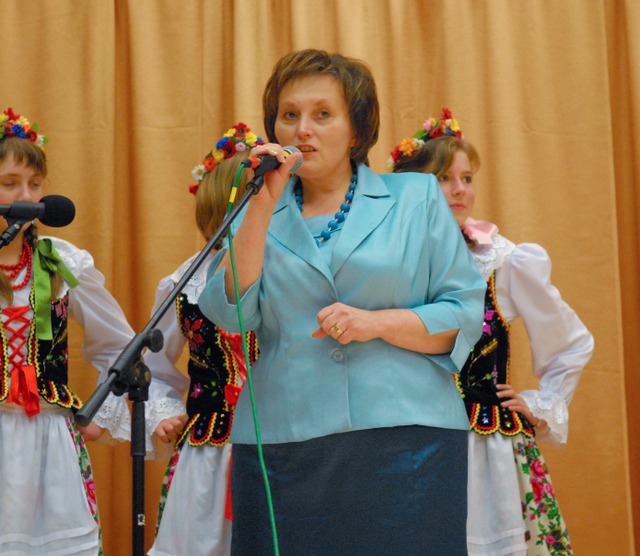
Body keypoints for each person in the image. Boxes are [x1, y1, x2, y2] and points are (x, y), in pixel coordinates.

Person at [197, 50, 487, 555]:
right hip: (284, 444)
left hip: (408, 442)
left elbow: (463, 315)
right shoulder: (255, 209)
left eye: (323, 114)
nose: (302, 130)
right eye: (289, 115)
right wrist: (259, 207)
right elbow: (230, 315)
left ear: (357, 131)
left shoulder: (416, 197)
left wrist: (378, 323)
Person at [389, 108, 595, 555]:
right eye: (444, 178)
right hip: (407, 445)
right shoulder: (388, 265)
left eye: (466, 178)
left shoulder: (502, 262)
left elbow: (572, 343)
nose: (460, 189)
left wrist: (541, 404)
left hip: (483, 450)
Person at [0, 107, 134, 555]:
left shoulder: (59, 261)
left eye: (35, 184)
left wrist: (100, 410)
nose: (26, 196)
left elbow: (119, 344)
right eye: (10, 183)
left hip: (49, 440)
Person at [145, 123, 261, 556]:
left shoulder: (295, 274)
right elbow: (152, 369)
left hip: (285, 450)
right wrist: (165, 412)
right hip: (210, 456)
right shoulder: (185, 282)